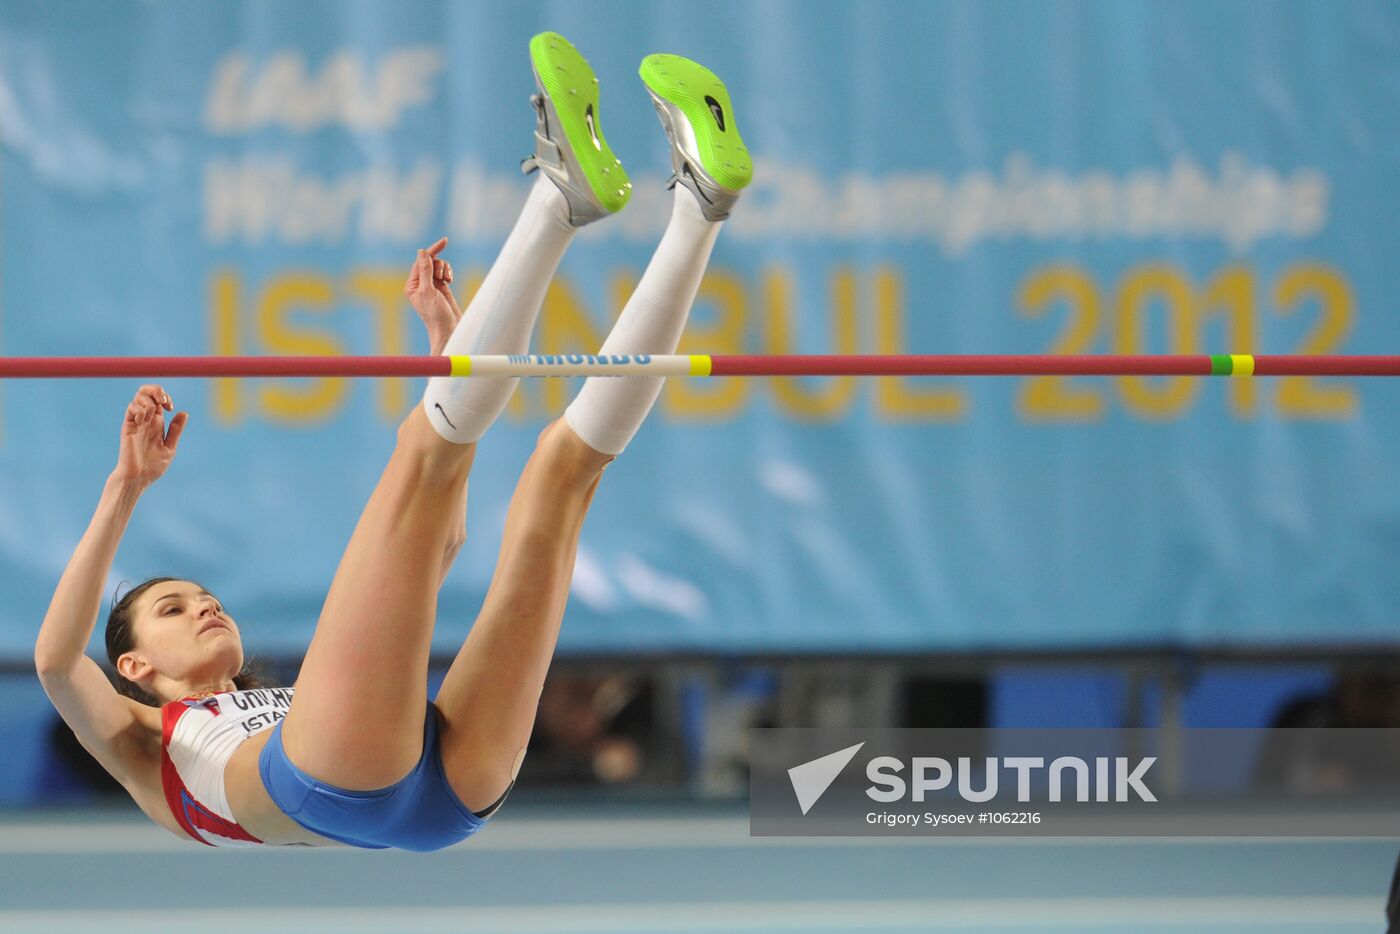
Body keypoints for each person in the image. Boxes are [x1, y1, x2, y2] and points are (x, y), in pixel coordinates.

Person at [32, 32, 751, 851]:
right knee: (429, 455)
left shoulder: (310, 698)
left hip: (432, 793)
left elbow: (441, 538)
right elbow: (57, 662)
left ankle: (700, 204)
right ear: (134, 667)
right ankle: (560, 201)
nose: (206, 605)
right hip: (344, 781)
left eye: (199, 596)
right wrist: (123, 491)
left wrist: (454, 361)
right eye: (173, 607)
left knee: (561, 472)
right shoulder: (138, 740)